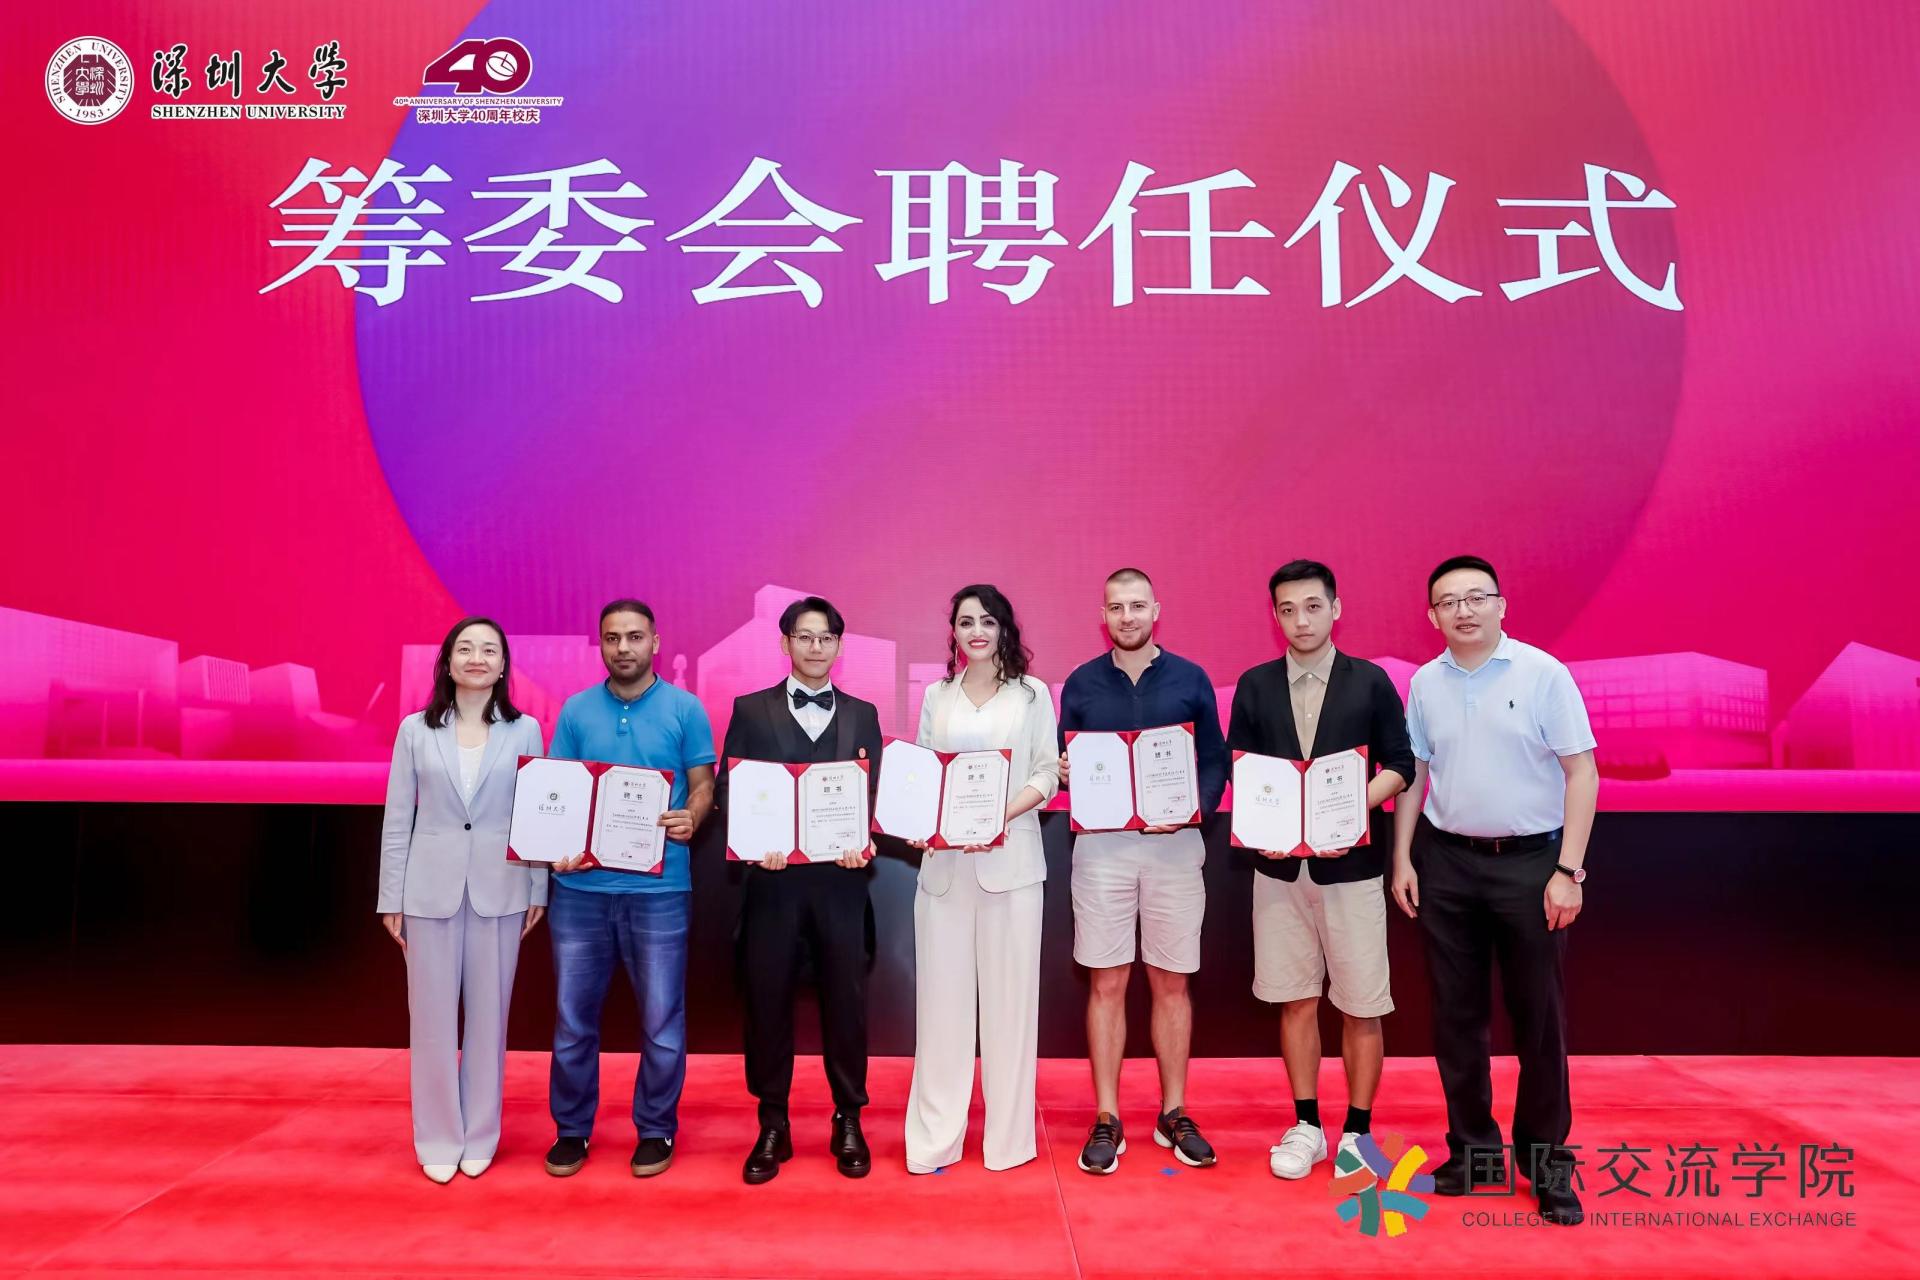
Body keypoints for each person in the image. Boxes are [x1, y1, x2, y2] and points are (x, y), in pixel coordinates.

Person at [1390, 555, 1598, 1226]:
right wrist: (1403, 858)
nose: (1464, 610)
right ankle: (1473, 1153)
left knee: (1539, 1020)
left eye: (1476, 597)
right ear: (1432, 616)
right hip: (1447, 864)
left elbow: (1583, 773)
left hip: (1531, 866)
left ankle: (1547, 1164)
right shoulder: (1425, 683)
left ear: (1501, 605)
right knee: (1457, 1018)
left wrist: (1568, 872)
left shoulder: (1543, 674)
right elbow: (1416, 774)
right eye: (1448, 601)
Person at [1225, 561, 1414, 1181]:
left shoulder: (1371, 682)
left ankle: (1357, 1131)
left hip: (1351, 869)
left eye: (1312, 606)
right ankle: (1306, 1124)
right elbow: (1243, 770)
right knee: (1295, 999)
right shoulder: (1255, 685)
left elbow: (1401, 765)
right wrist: (1269, 827)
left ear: (1336, 608)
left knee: (1362, 1004)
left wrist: (1347, 813)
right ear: (1275, 616)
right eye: (1287, 609)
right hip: (1278, 873)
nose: (1300, 620)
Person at [1057, 568, 1228, 1174]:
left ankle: (1173, 1112)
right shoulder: (1080, 683)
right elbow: (1065, 761)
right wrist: (1065, 771)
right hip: (1101, 850)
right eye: (1115, 607)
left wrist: (1193, 809)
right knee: (1106, 983)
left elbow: (1214, 759)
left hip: (1175, 847)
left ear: (1156, 610)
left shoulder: (1191, 678)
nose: (1126, 617)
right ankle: (1107, 1115)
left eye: (1136, 606)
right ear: (1102, 615)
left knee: (1171, 982)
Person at [542, 600, 716, 1180]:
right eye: (613, 638)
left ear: (655, 642)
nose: (623, 648)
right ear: (601, 644)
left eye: (635, 637)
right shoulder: (575, 710)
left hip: (660, 890)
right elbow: (560, 790)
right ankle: (571, 1130)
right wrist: (558, 841)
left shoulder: (685, 708)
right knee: (572, 1021)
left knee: (662, 1021)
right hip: (580, 890)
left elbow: (703, 783)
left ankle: (656, 1128)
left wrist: (693, 815)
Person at [715, 595, 884, 1184]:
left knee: (847, 1005)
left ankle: (848, 1118)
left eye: (826, 638)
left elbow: (873, 796)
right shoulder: (750, 709)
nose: (816, 647)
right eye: (805, 637)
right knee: (766, 1003)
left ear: (839, 646)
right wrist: (752, 841)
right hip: (772, 884)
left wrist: (864, 837)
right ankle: (772, 1122)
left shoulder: (863, 714)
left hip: (841, 884)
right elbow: (730, 789)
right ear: (785, 643)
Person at [377, 617, 547, 1184]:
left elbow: (535, 815)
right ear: (447, 662)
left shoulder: (525, 730)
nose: (477, 658)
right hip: (428, 891)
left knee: (489, 1021)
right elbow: (397, 819)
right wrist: (390, 896)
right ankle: (437, 1136)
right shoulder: (414, 730)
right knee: (429, 1022)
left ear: (503, 665)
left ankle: (480, 1134)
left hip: (503, 887)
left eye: (489, 650)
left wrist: (539, 887)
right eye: (466, 649)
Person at [903, 585, 1060, 1172]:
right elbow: (923, 773)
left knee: (1010, 1010)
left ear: (1003, 630)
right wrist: (919, 821)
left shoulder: (1032, 694)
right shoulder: (936, 695)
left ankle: (1008, 1141)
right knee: (940, 1010)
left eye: (987, 621)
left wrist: (998, 815)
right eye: (966, 621)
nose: (976, 631)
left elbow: (1046, 774)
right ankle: (935, 1138)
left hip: (1012, 866)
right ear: (953, 631)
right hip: (944, 871)